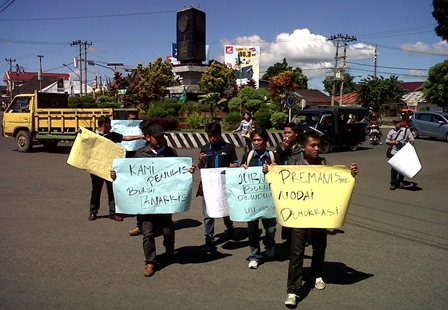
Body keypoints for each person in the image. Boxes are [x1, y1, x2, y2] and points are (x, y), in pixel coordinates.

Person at [263, 132, 358, 307]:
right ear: (303, 147)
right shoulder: (293, 164)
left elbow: (334, 184)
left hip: (319, 216)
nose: (316, 148)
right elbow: (278, 179)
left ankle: (317, 274)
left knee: (319, 247)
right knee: (296, 252)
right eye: (312, 145)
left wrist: (349, 174)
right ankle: (292, 290)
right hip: (299, 217)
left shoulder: (323, 164)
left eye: (318, 145)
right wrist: (269, 171)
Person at [111, 122, 193, 277]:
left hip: (165, 201)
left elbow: (178, 172)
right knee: (147, 232)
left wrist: (187, 170)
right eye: (157, 137)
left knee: (168, 230)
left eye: (162, 136)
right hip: (146, 201)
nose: (161, 139)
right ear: (148, 138)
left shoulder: (170, 152)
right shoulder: (140, 154)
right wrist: (117, 176)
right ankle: (150, 262)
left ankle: (169, 250)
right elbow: (129, 176)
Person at [88, 116, 144, 222]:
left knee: (112, 191)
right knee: (96, 191)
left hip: (110, 169)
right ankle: (93, 212)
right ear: (104, 125)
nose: (111, 126)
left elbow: (125, 138)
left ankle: (113, 213)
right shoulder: (92, 135)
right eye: (109, 124)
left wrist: (140, 137)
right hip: (96, 169)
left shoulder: (112, 135)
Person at [197, 122, 238, 253]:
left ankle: (230, 227)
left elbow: (235, 163)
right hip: (208, 186)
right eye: (209, 136)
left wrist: (233, 166)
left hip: (224, 185)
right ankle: (209, 239)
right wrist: (201, 160)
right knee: (208, 214)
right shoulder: (204, 148)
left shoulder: (229, 148)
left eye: (214, 136)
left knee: (226, 212)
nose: (212, 139)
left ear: (220, 135)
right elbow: (200, 167)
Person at [240, 128, 276, 269]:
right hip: (252, 200)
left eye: (259, 140)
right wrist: (243, 167)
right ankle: (255, 255)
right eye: (254, 140)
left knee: (271, 228)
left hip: (268, 199)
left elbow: (280, 175)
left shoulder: (272, 156)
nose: (256, 142)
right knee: (252, 230)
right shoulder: (248, 156)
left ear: (265, 141)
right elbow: (242, 175)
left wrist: (274, 168)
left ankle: (269, 243)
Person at [273, 122, 303, 244]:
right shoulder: (280, 147)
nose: (286, 135)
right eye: (285, 132)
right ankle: (289, 237)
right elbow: (275, 162)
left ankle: (301, 237)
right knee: (287, 211)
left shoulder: (302, 147)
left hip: (300, 185)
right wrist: (281, 150)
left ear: (296, 134)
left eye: (289, 133)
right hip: (285, 185)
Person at [386, 116, 414, 190]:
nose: (396, 124)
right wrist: (395, 142)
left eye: (397, 122)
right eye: (394, 123)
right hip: (394, 152)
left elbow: (411, 139)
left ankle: (400, 181)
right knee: (394, 169)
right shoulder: (391, 131)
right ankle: (393, 183)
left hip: (403, 152)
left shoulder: (406, 131)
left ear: (401, 123)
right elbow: (387, 141)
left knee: (402, 168)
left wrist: (409, 143)